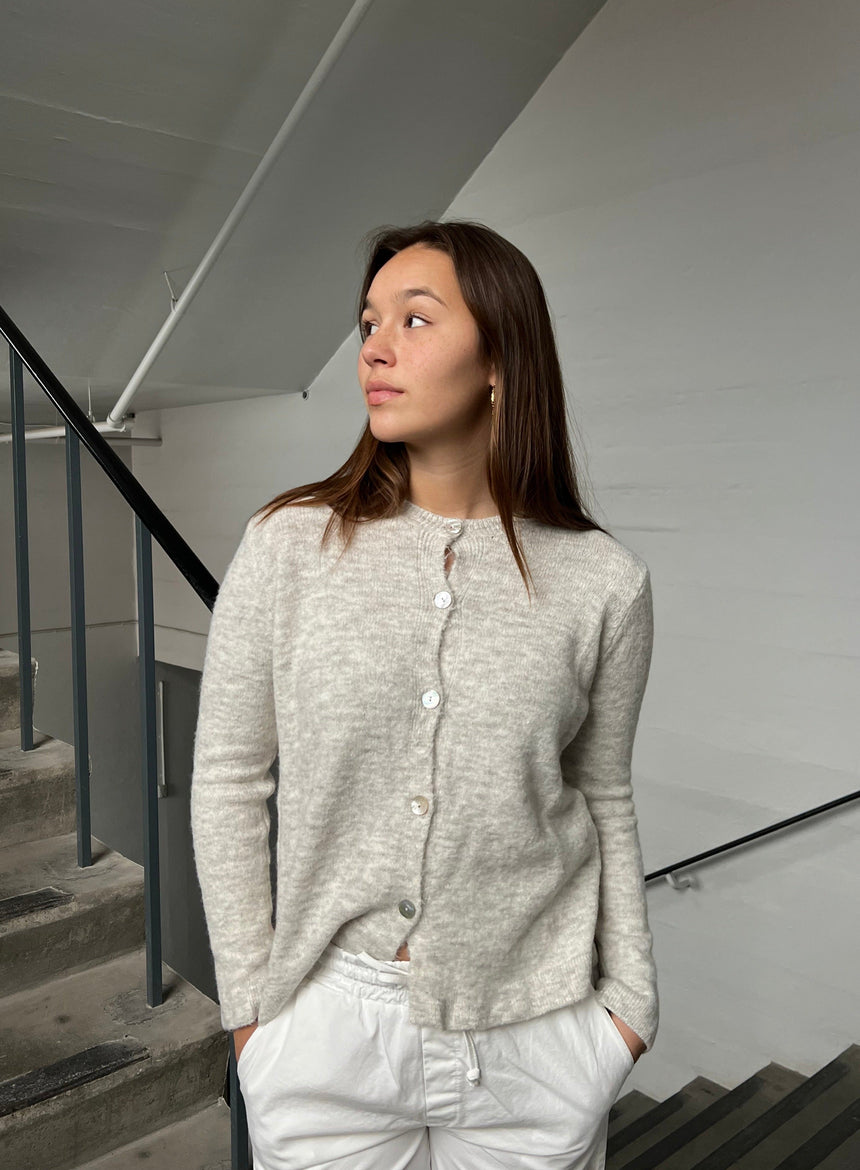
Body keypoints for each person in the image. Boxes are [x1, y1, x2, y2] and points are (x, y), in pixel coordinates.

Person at [190, 218, 658, 1170]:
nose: (374, 347)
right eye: (369, 322)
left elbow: (602, 792)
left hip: (535, 1035)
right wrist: (251, 1011)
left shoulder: (604, 583)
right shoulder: (288, 546)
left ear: (499, 360)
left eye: (414, 319)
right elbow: (230, 776)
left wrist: (631, 1004)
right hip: (327, 1031)